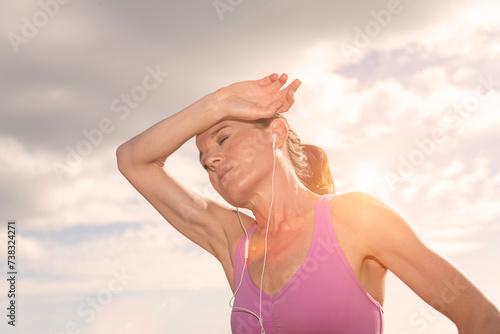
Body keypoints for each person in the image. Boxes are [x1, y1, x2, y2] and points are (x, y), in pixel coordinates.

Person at [116, 73, 500, 333]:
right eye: (202, 159)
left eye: (224, 138)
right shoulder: (234, 241)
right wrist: (216, 104)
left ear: (276, 133)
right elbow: (133, 160)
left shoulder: (354, 218)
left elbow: (481, 318)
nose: (210, 160)